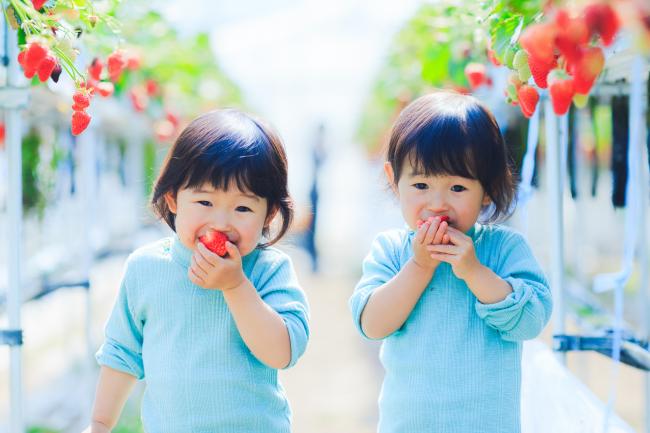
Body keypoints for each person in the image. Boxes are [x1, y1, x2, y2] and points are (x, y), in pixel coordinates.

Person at [84, 109, 310, 433]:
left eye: (243, 208)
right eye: (205, 203)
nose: (221, 223)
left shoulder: (268, 271)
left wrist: (236, 286)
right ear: (174, 199)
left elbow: (282, 351)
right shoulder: (146, 268)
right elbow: (122, 352)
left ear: (269, 214)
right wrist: (99, 423)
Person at [349, 91, 552, 433]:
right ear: (393, 180)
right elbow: (372, 324)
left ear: (486, 190)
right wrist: (419, 267)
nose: (437, 203)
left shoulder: (503, 249)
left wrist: (474, 271)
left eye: (457, 188)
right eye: (421, 184)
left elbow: (531, 321)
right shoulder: (392, 250)